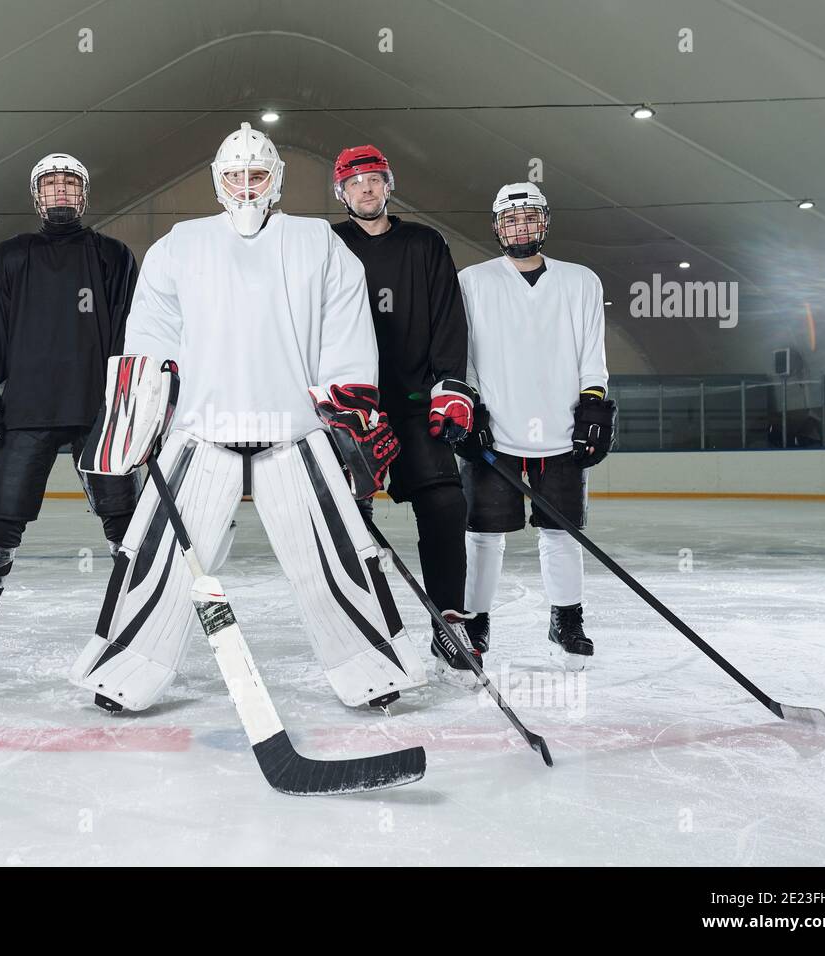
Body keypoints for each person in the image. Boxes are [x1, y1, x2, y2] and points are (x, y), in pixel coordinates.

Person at [71, 122, 425, 715]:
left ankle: (371, 667)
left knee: (334, 557)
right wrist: (146, 412)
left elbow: (347, 331)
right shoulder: (180, 245)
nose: (244, 187)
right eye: (233, 176)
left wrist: (350, 411)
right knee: (158, 556)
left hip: (295, 433)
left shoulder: (318, 243)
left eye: (256, 175)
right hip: (201, 435)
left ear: (276, 180)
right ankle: (126, 669)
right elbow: (151, 334)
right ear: (216, 182)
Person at [0, 153, 140, 668]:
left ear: (83, 195)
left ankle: (138, 618)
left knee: (126, 520)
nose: (60, 192)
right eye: (51, 185)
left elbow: (128, 330)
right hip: (27, 407)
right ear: (38, 196)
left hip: (97, 406)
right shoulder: (10, 256)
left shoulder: (113, 256)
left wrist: (134, 398)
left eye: (69, 185)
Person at [329, 144, 479, 675]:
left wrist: (450, 386)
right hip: (350, 408)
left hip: (416, 402)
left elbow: (447, 316)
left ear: (387, 185)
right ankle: (365, 624)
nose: (366, 189)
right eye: (355, 182)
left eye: (374, 179)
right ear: (341, 192)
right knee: (351, 519)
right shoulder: (327, 245)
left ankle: (449, 622)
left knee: (443, 506)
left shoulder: (425, 242)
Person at [455, 184, 616, 666]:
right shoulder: (472, 282)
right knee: (482, 534)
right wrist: (470, 407)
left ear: (544, 222)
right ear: (497, 227)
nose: (520, 227)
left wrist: (592, 405)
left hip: (562, 430)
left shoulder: (581, 281)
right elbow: (462, 355)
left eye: (528, 218)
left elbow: (593, 352)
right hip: (495, 431)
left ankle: (566, 619)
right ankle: (475, 622)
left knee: (562, 532)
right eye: (510, 220)